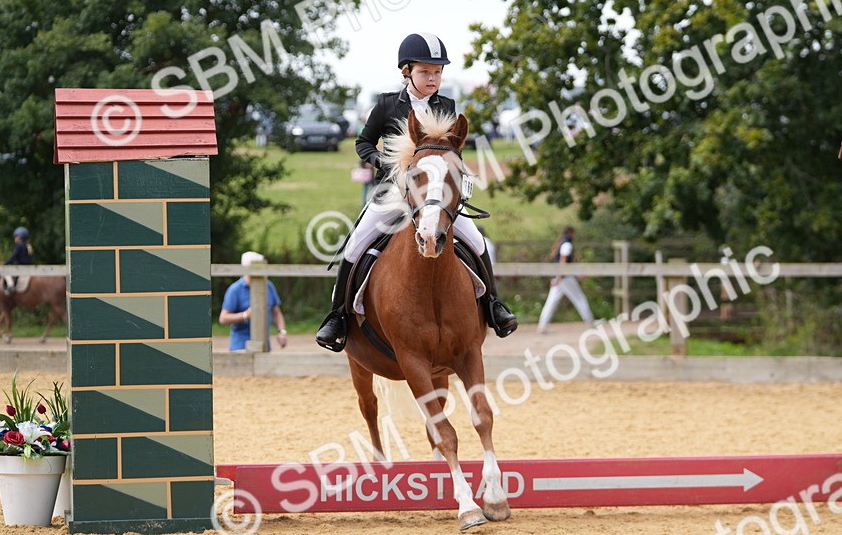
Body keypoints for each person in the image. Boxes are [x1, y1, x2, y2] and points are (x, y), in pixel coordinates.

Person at [314, 32, 518, 351]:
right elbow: (362, 143)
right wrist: (382, 162)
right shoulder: (385, 105)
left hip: (435, 197)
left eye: (437, 72)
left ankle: (493, 305)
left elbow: (453, 151)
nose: (433, 78)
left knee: (477, 241)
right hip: (393, 195)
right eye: (426, 71)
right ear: (406, 71)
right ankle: (337, 316)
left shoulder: (447, 106)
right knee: (355, 245)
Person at [220, 251, 287, 352]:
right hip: (240, 347)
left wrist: (281, 331)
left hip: (265, 346)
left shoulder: (268, 286)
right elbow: (223, 318)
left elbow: (276, 312)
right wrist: (245, 315)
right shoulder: (235, 289)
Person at [536, 226, 598, 333]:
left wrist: (558, 277)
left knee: (551, 302)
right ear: (570, 233)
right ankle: (590, 321)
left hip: (561, 277)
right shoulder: (567, 245)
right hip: (565, 278)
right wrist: (559, 277)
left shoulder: (562, 243)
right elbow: (563, 263)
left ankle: (542, 326)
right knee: (579, 299)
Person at [2, 226, 34, 295]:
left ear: (19, 237)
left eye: (16, 236)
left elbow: (13, 257)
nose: (15, 238)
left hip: (21, 267)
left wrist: (6, 263)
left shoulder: (19, 246)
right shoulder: (28, 246)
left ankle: (10, 286)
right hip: (29, 267)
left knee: (5, 272)